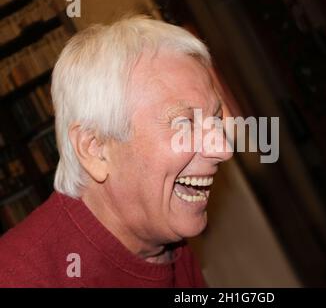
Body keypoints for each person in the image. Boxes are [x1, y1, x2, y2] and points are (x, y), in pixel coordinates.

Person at [0, 15, 233, 287]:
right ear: (95, 149)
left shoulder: (164, 234)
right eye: (184, 124)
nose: (223, 149)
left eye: (215, 119)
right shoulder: (19, 278)